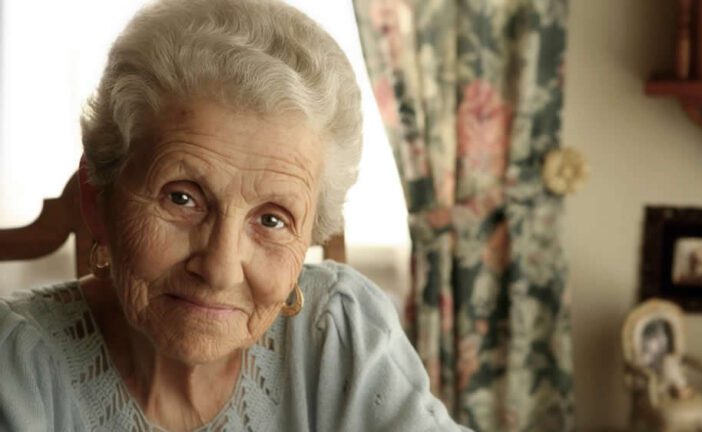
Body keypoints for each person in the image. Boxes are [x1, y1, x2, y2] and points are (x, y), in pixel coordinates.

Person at [0, 0, 469, 430]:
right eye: (182, 199)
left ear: (308, 236)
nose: (220, 270)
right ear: (96, 199)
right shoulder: (15, 369)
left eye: (271, 220)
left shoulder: (342, 332)